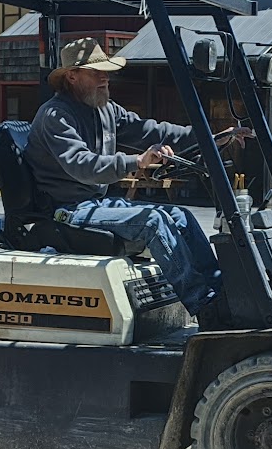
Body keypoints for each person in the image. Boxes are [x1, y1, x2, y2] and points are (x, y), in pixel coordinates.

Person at [25, 37, 249, 321]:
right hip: (66, 210)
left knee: (180, 216)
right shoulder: (56, 116)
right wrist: (137, 161)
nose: (105, 78)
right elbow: (82, 166)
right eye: (97, 72)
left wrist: (211, 138)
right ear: (72, 76)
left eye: (107, 71)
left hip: (96, 203)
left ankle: (224, 296)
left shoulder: (105, 109)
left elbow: (153, 131)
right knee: (153, 221)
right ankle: (205, 308)